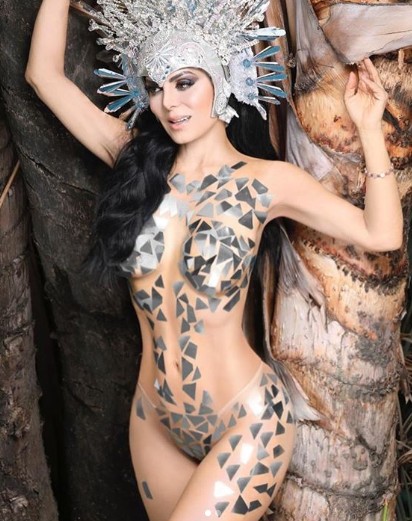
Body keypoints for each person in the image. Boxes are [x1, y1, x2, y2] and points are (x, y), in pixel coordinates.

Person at [25, 0, 403, 520]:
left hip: (245, 421)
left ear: (223, 77)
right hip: (154, 423)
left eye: (185, 82)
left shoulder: (266, 183)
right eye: (156, 86)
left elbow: (381, 233)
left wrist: (369, 129)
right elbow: (43, 75)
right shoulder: (134, 160)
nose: (169, 103)